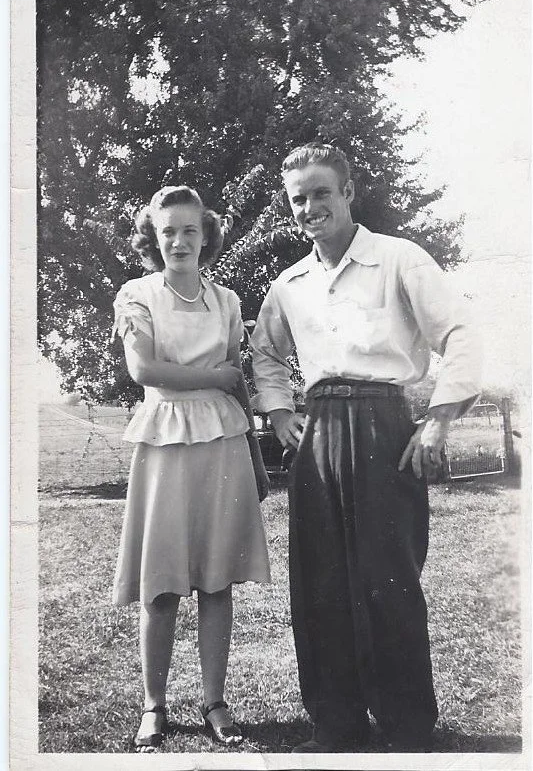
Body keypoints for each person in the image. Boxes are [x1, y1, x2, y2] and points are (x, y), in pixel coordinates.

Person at [250, 143, 482, 753]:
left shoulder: (398, 259)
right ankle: (338, 725)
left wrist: (436, 423)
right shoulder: (291, 283)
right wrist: (278, 413)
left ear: (349, 192)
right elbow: (266, 354)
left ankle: (407, 728)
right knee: (319, 585)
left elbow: (460, 333)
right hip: (319, 433)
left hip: (384, 428)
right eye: (298, 198)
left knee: (388, 582)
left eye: (321, 193)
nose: (309, 207)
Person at [111, 185, 271, 752]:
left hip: (224, 441)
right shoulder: (137, 294)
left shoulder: (226, 300)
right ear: (154, 239)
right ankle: (153, 705)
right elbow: (145, 371)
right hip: (164, 438)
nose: (179, 241)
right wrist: (217, 379)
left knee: (216, 579)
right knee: (161, 584)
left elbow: (240, 380)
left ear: (206, 236)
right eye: (167, 232)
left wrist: (255, 451)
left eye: (189, 231)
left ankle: (214, 701)